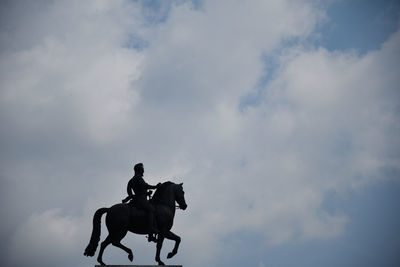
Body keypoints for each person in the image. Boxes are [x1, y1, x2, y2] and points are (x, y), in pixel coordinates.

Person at [122, 163, 161, 233]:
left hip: (138, 199)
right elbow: (145, 186)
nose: (143, 171)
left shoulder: (132, 180)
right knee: (151, 209)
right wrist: (155, 186)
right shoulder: (138, 177)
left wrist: (132, 196)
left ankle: (151, 234)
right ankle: (151, 228)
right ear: (139, 169)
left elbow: (129, 189)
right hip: (141, 200)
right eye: (142, 169)